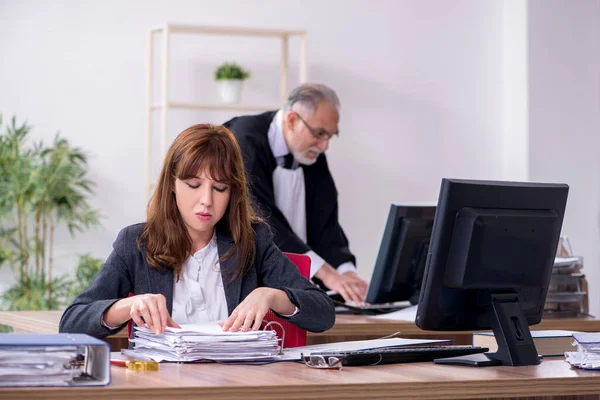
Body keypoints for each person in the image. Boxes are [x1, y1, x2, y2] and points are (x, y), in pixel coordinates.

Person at [59, 124, 335, 338]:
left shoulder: (252, 241)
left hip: (236, 385)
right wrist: (127, 307)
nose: (206, 200)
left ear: (232, 193)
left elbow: (323, 313)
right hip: (162, 387)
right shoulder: (136, 243)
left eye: (220, 188)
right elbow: (71, 322)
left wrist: (273, 296)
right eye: (193, 185)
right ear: (172, 183)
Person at [224, 83, 368, 303]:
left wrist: (346, 273)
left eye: (331, 136)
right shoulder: (243, 141)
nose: (324, 146)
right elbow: (261, 219)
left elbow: (326, 222)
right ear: (292, 121)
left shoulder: (312, 153)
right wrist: (328, 275)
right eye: (319, 134)